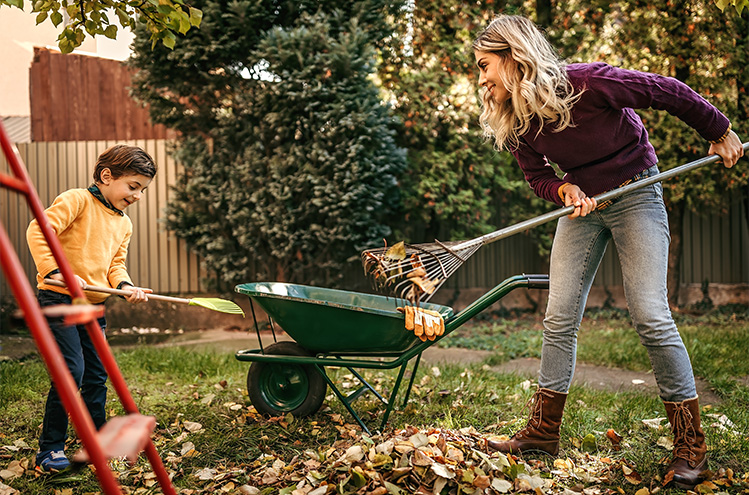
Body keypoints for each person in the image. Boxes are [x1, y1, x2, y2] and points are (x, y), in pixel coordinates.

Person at [472, 14, 744, 490]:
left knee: (650, 314)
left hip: (637, 192)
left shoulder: (586, 83)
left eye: (484, 65)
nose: (481, 79)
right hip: (585, 209)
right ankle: (542, 433)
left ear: (513, 58)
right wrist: (563, 190)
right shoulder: (517, 121)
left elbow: (664, 90)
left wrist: (718, 129)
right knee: (558, 316)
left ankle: (690, 444)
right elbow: (537, 176)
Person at [26, 144, 157, 473]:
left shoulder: (123, 224)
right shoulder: (77, 200)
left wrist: (125, 287)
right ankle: (50, 448)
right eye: (133, 186)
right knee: (72, 372)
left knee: (97, 376)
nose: (137, 195)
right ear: (106, 176)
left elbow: (116, 266)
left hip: (94, 306)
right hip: (59, 300)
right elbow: (38, 230)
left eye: (142, 189)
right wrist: (57, 272)